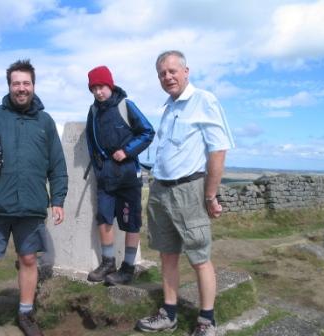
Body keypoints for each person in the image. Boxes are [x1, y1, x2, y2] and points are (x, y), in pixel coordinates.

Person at [0, 59, 68, 336]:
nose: (21, 88)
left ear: (33, 85)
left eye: (26, 83)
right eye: (16, 83)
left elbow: (57, 164)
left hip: (31, 206)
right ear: (9, 86)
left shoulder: (45, 122)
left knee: (29, 259)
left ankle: (25, 314)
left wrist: (58, 199)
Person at [135, 51, 234, 336]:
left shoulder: (203, 100)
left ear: (186, 71)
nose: (167, 77)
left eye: (172, 71)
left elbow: (218, 149)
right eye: (162, 73)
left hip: (189, 190)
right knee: (167, 255)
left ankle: (207, 320)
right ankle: (168, 313)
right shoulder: (169, 108)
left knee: (199, 257)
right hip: (160, 190)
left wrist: (210, 195)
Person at [85, 65, 155, 285]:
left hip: (127, 177)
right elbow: (91, 142)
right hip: (106, 178)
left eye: (102, 86)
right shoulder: (93, 111)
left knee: (131, 222)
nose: (98, 92)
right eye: (94, 88)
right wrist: (99, 169)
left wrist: (126, 151)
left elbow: (147, 131)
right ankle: (108, 263)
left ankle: (128, 267)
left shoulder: (126, 105)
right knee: (104, 219)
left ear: (110, 85)